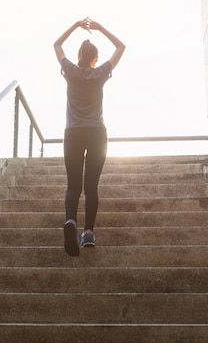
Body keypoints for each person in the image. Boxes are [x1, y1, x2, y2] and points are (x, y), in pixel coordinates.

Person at [53, 18, 126, 256]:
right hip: (97, 133)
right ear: (95, 59)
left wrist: (75, 26)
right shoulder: (101, 72)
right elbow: (121, 47)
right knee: (91, 187)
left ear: (78, 57)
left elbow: (56, 45)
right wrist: (100, 28)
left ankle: (71, 222)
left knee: (73, 186)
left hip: (72, 133)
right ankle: (88, 233)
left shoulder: (71, 72)